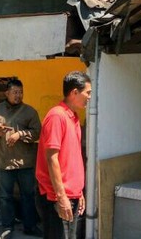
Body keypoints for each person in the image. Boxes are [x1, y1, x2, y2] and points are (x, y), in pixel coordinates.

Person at [0, 79, 42, 238]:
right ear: (6, 93)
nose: (18, 95)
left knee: (28, 196)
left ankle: (30, 226)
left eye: (21, 92)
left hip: (25, 163)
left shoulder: (30, 111)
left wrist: (20, 134)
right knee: (5, 197)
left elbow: (38, 133)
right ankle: (7, 226)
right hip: (4, 162)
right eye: (15, 92)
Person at [35, 71, 91, 239]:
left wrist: (79, 192)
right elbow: (52, 158)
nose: (89, 97)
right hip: (56, 197)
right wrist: (61, 197)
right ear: (74, 92)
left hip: (71, 195)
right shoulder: (57, 116)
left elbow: (71, 159)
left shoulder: (73, 117)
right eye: (87, 92)